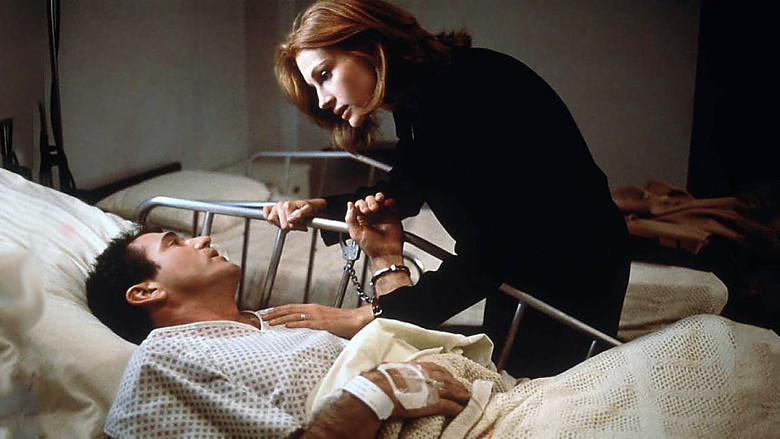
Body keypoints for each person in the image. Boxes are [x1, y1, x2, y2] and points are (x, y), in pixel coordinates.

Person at [263, 0, 631, 378]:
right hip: (536, 266)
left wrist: (371, 315)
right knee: (506, 376)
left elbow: (493, 251)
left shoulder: (461, 90)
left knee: (530, 390)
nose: (322, 100)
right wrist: (319, 207)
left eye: (325, 75)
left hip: (572, 268)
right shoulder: (424, 95)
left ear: (369, 46)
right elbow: (408, 186)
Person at [85, 223, 470, 438]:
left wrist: (385, 258)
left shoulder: (278, 318)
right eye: (175, 243)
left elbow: (398, 333)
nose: (202, 239)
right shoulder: (161, 360)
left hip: (472, 394)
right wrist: (379, 390)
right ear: (146, 291)